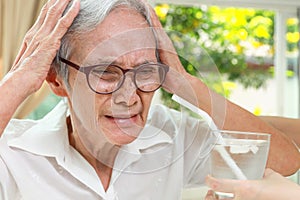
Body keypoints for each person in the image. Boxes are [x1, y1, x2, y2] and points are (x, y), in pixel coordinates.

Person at [0, 0, 299, 199]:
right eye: (106, 72)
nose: (130, 97)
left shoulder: (171, 136)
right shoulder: (12, 150)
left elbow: (286, 161)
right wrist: (17, 82)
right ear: (56, 80)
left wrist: (186, 83)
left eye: (145, 71)